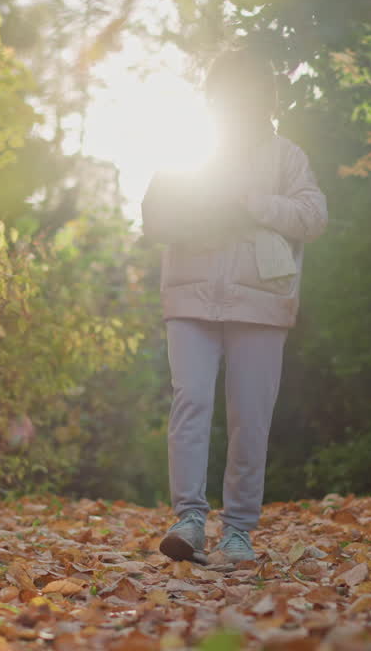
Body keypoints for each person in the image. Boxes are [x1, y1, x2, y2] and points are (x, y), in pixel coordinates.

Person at [140, 47, 328, 564]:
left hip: (262, 303)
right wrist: (196, 211)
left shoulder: (286, 156)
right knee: (191, 402)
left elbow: (314, 216)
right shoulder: (188, 150)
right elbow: (153, 215)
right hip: (189, 297)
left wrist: (252, 204)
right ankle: (190, 520)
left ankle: (239, 531)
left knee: (250, 419)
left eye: (246, 90)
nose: (235, 100)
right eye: (225, 91)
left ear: (264, 96)